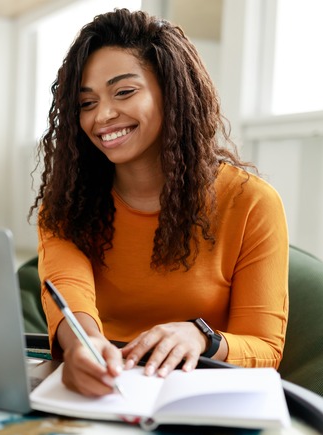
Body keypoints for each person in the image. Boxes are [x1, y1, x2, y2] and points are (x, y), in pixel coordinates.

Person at [29, 8, 289, 397]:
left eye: (124, 92)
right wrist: (82, 343)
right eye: (86, 103)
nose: (103, 115)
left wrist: (202, 337)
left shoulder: (250, 202)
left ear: (173, 91)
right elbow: (69, 289)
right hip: (101, 390)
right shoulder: (67, 201)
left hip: (202, 394)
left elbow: (266, 348)